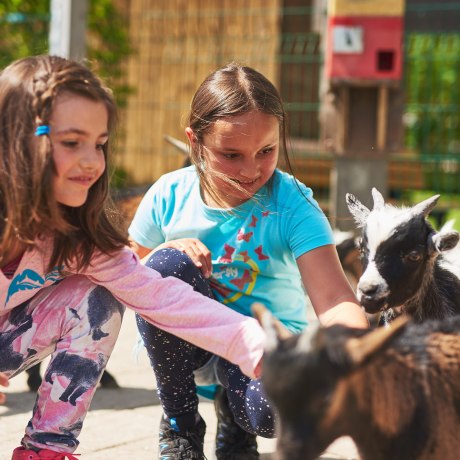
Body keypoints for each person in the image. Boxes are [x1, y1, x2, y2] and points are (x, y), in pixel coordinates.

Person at [0, 55, 266, 460]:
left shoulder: (79, 239)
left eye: (100, 144)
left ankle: (46, 451)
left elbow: (158, 296)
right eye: (72, 143)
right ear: (17, 140)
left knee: (97, 297)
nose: (92, 160)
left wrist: (253, 343)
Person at [129, 62, 370, 460]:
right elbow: (123, 272)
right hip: (190, 347)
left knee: (279, 410)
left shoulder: (292, 204)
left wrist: (358, 353)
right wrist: (159, 254)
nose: (251, 169)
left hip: (261, 351)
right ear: (195, 143)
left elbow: (333, 298)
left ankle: (236, 423)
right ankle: (180, 427)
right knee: (167, 266)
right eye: (230, 154)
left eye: (267, 151)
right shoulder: (168, 194)